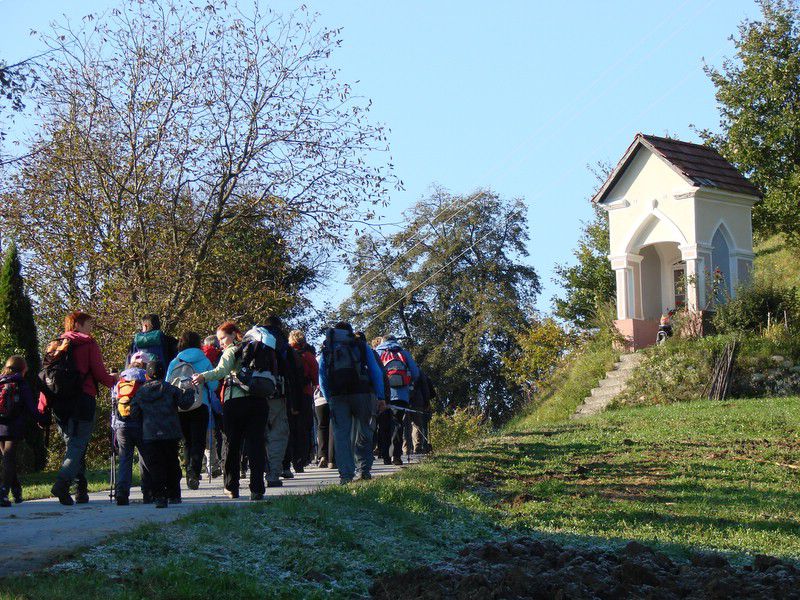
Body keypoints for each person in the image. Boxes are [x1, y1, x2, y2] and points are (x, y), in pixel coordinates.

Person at [39, 311, 118, 506]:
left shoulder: (55, 344)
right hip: (83, 398)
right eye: (89, 324)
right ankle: (62, 483)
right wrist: (114, 379)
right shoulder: (88, 343)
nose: (91, 328)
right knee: (78, 445)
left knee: (73, 445)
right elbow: (99, 373)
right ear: (78, 325)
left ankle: (80, 490)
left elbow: (46, 378)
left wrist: (42, 408)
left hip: (58, 402)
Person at [192, 321, 268, 500]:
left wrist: (203, 376)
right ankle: (257, 488)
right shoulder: (260, 350)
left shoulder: (232, 351)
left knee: (232, 445)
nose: (221, 343)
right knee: (256, 445)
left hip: (235, 402)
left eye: (223, 337)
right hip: (259, 401)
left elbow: (221, 371)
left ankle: (231, 486)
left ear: (234, 334)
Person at [318, 322, 385, 484]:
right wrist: (381, 396)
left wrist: (329, 398)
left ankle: (346, 475)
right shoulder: (360, 345)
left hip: (337, 396)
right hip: (362, 393)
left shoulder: (328, 348)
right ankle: (363, 470)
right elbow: (375, 371)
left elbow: (322, 377)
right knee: (364, 431)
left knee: (341, 436)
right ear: (350, 332)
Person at [130, 359, 195, 508]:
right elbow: (185, 404)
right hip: (170, 432)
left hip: (150, 433)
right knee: (172, 462)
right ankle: (174, 494)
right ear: (164, 373)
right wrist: (190, 389)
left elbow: (134, 413)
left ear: (147, 375)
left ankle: (159, 496)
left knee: (155, 466)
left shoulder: (141, 393)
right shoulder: (170, 389)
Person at [166, 331, 220, 490]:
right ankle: (193, 472)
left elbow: (168, 384)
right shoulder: (204, 360)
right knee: (198, 441)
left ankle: (188, 468)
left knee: (187, 441)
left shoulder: (174, 361)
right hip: (200, 404)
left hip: (180, 406)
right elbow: (214, 385)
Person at [0, 356, 45, 506]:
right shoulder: (20, 383)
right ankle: (3, 493)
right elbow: (31, 408)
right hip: (13, 426)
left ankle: (16, 491)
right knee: (9, 459)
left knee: (7, 458)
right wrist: (42, 418)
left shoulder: (1, 380)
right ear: (23, 368)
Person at [262, 316, 299, 486]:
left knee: (257, 436)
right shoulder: (282, 343)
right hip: (276, 394)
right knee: (277, 434)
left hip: (251, 394)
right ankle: (273, 474)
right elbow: (293, 373)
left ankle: (256, 474)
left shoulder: (253, 338)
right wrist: (294, 403)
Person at [111, 351, 151, 505]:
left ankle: (122, 492)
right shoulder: (146, 379)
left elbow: (114, 406)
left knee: (125, 459)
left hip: (122, 426)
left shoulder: (121, 380)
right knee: (145, 458)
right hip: (142, 424)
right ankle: (148, 492)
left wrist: (114, 428)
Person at [375, 335, 420, 466]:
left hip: (382, 395)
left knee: (383, 425)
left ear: (383, 342)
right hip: (401, 395)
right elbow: (416, 373)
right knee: (397, 424)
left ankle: (385, 456)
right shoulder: (403, 353)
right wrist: (408, 384)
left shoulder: (377, 352)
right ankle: (397, 456)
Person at [287, 329, 318, 473]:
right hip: (305, 394)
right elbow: (315, 378)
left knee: (289, 428)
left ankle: (288, 459)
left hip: (288, 395)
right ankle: (301, 459)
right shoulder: (308, 356)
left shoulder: (285, 354)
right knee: (304, 428)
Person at [200, 335, 223, 477]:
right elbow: (214, 383)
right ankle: (213, 465)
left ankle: (200, 466)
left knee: (199, 437)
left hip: (197, 401)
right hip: (216, 397)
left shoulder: (200, 357)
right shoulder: (221, 355)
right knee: (214, 437)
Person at [371, 337, 392, 463]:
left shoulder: (367, 353)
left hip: (364, 394)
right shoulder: (374, 355)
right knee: (385, 426)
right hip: (382, 395)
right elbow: (382, 375)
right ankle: (386, 455)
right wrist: (384, 396)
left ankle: (368, 453)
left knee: (369, 426)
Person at [313, 385, 335, 468]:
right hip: (333, 397)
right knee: (332, 428)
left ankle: (323, 456)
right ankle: (331, 460)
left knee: (321, 427)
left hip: (319, 399)